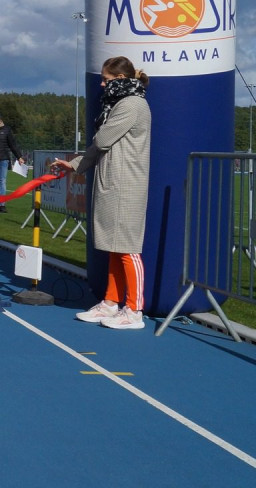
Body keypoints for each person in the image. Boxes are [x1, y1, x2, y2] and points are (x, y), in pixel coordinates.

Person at [52, 56, 151, 330]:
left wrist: (101, 126)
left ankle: (135, 310)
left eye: (106, 79)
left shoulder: (132, 104)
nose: (101, 83)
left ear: (120, 79)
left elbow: (103, 139)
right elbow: (99, 148)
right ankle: (110, 302)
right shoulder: (119, 104)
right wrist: (72, 165)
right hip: (112, 181)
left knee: (128, 248)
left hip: (127, 183)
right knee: (114, 247)